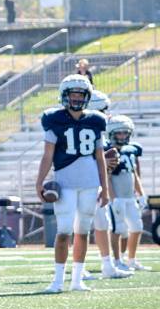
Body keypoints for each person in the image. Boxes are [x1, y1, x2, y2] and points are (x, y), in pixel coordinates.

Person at [34, 75, 109, 293]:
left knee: (82, 232)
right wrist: (39, 181)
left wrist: (105, 187)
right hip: (65, 182)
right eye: (73, 94)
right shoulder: (53, 119)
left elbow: (100, 157)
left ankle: (77, 280)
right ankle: (57, 280)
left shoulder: (96, 120)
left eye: (80, 95)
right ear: (65, 96)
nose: (76, 99)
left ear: (87, 97)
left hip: (89, 183)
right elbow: (47, 156)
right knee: (64, 231)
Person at [85, 92, 128, 280]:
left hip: (95, 183)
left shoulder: (98, 133)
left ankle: (107, 265)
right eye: (103, 110)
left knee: (103, 224)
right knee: (80, 226)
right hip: (80, 182)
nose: (107, 114)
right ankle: (80, 266)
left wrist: (106, 164)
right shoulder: (80, 130)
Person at [107, 116, 149, 272]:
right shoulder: (108, 151)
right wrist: (113, 198)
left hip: (130, 197)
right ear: (111, 134)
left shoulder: (131, 150)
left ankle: (130, 259)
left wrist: (141, 193)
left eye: (125, 133)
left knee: (137, 227)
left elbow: (134, 174)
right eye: (119, 133)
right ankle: (117, 260)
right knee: (118, 230)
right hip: (117, 197)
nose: (123, 136)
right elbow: (107, 177)